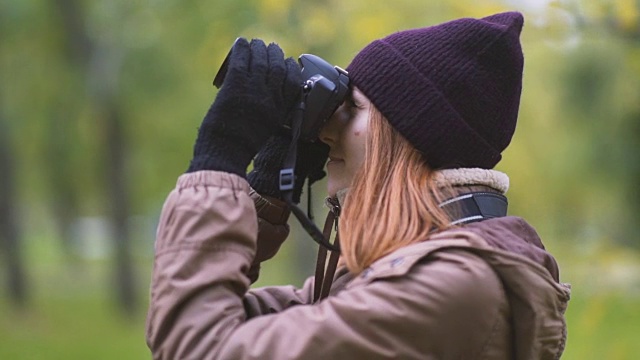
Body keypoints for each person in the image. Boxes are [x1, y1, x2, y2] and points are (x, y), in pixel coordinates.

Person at [146, 11, 571, 359]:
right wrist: (266, 189)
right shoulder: (412, 272)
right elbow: (221, 319)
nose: (326, 131)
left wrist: (221, 157)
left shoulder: (449, 288)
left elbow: (196, 346)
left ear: (408, 134)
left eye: (351, 107)